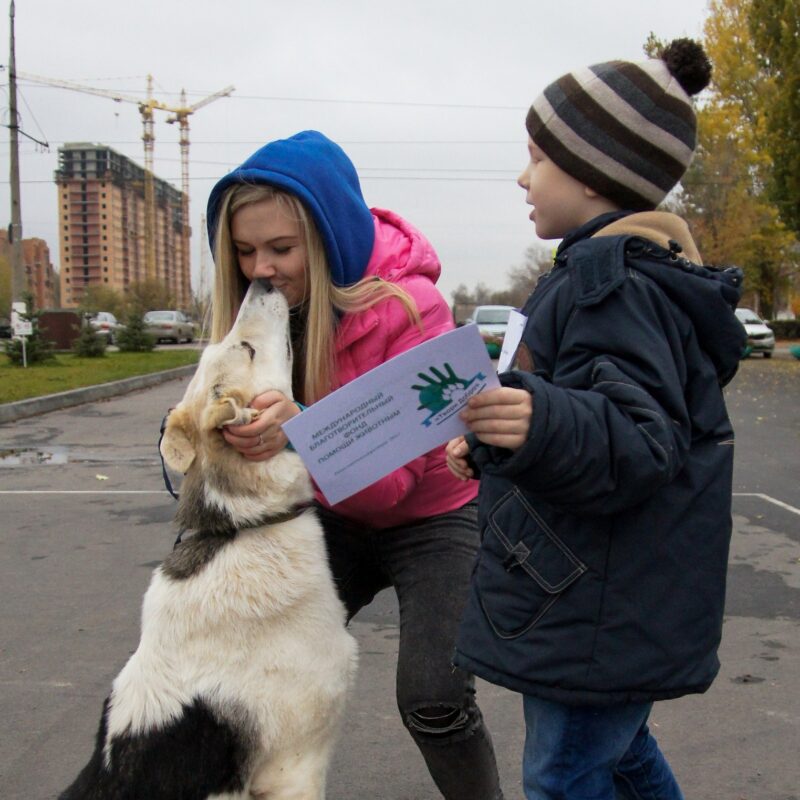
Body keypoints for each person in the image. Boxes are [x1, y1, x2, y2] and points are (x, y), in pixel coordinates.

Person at [446, 40, 746, 800]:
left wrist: (538, 420)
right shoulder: (593, 276)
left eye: (537, 157)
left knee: (564, 773)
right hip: (594, 595)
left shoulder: (614, 287)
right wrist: (494, 441)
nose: (522, 176)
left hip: (596, 603)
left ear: (593, 173)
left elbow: (640, 439)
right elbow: (576, 406)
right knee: (616, 755)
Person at [205, 130, 503, 800]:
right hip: (328, 510)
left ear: (325, 236)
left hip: (431, 516)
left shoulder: (411, 309)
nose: (260, 268)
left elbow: (390, 492)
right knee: (245, 667)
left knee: (433, 696)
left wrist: (300, 436)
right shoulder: (267, 310)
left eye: (280, 249)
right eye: (245, 251)